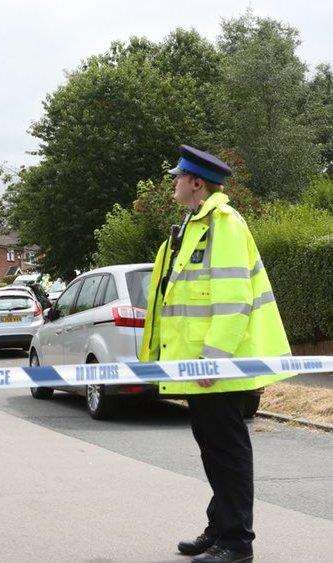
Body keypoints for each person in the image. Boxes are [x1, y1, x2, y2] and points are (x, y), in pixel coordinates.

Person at [139, 146, 292, 563]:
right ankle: (219, 528)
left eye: (178, 177)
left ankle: (237, 542)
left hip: (217, 366)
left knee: (227, 453)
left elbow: (233, 297)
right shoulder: (193, 225)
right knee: (214, 450)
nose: (173, 183)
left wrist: (213, 357)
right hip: (200, 366)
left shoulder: (224, 223)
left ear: (196, 183)